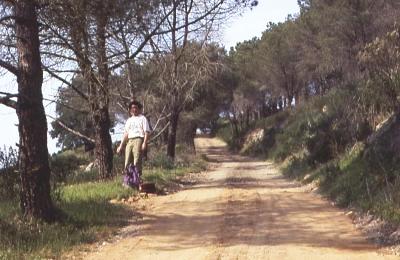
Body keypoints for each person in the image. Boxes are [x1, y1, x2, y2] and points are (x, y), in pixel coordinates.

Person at [117, 100, 151, 188]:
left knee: (136, 160)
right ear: (130, 110)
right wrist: (121, 145)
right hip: (130, 140)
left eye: (136, 107)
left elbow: (146, 132)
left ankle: (137, 180)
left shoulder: (142, 118)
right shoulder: (129, 120)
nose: (134, 109)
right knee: (127, 160)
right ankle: (127, 181)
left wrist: (144, 143)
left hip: (138, 139)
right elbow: (126, 134)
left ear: (139, 109)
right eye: (132, 108)